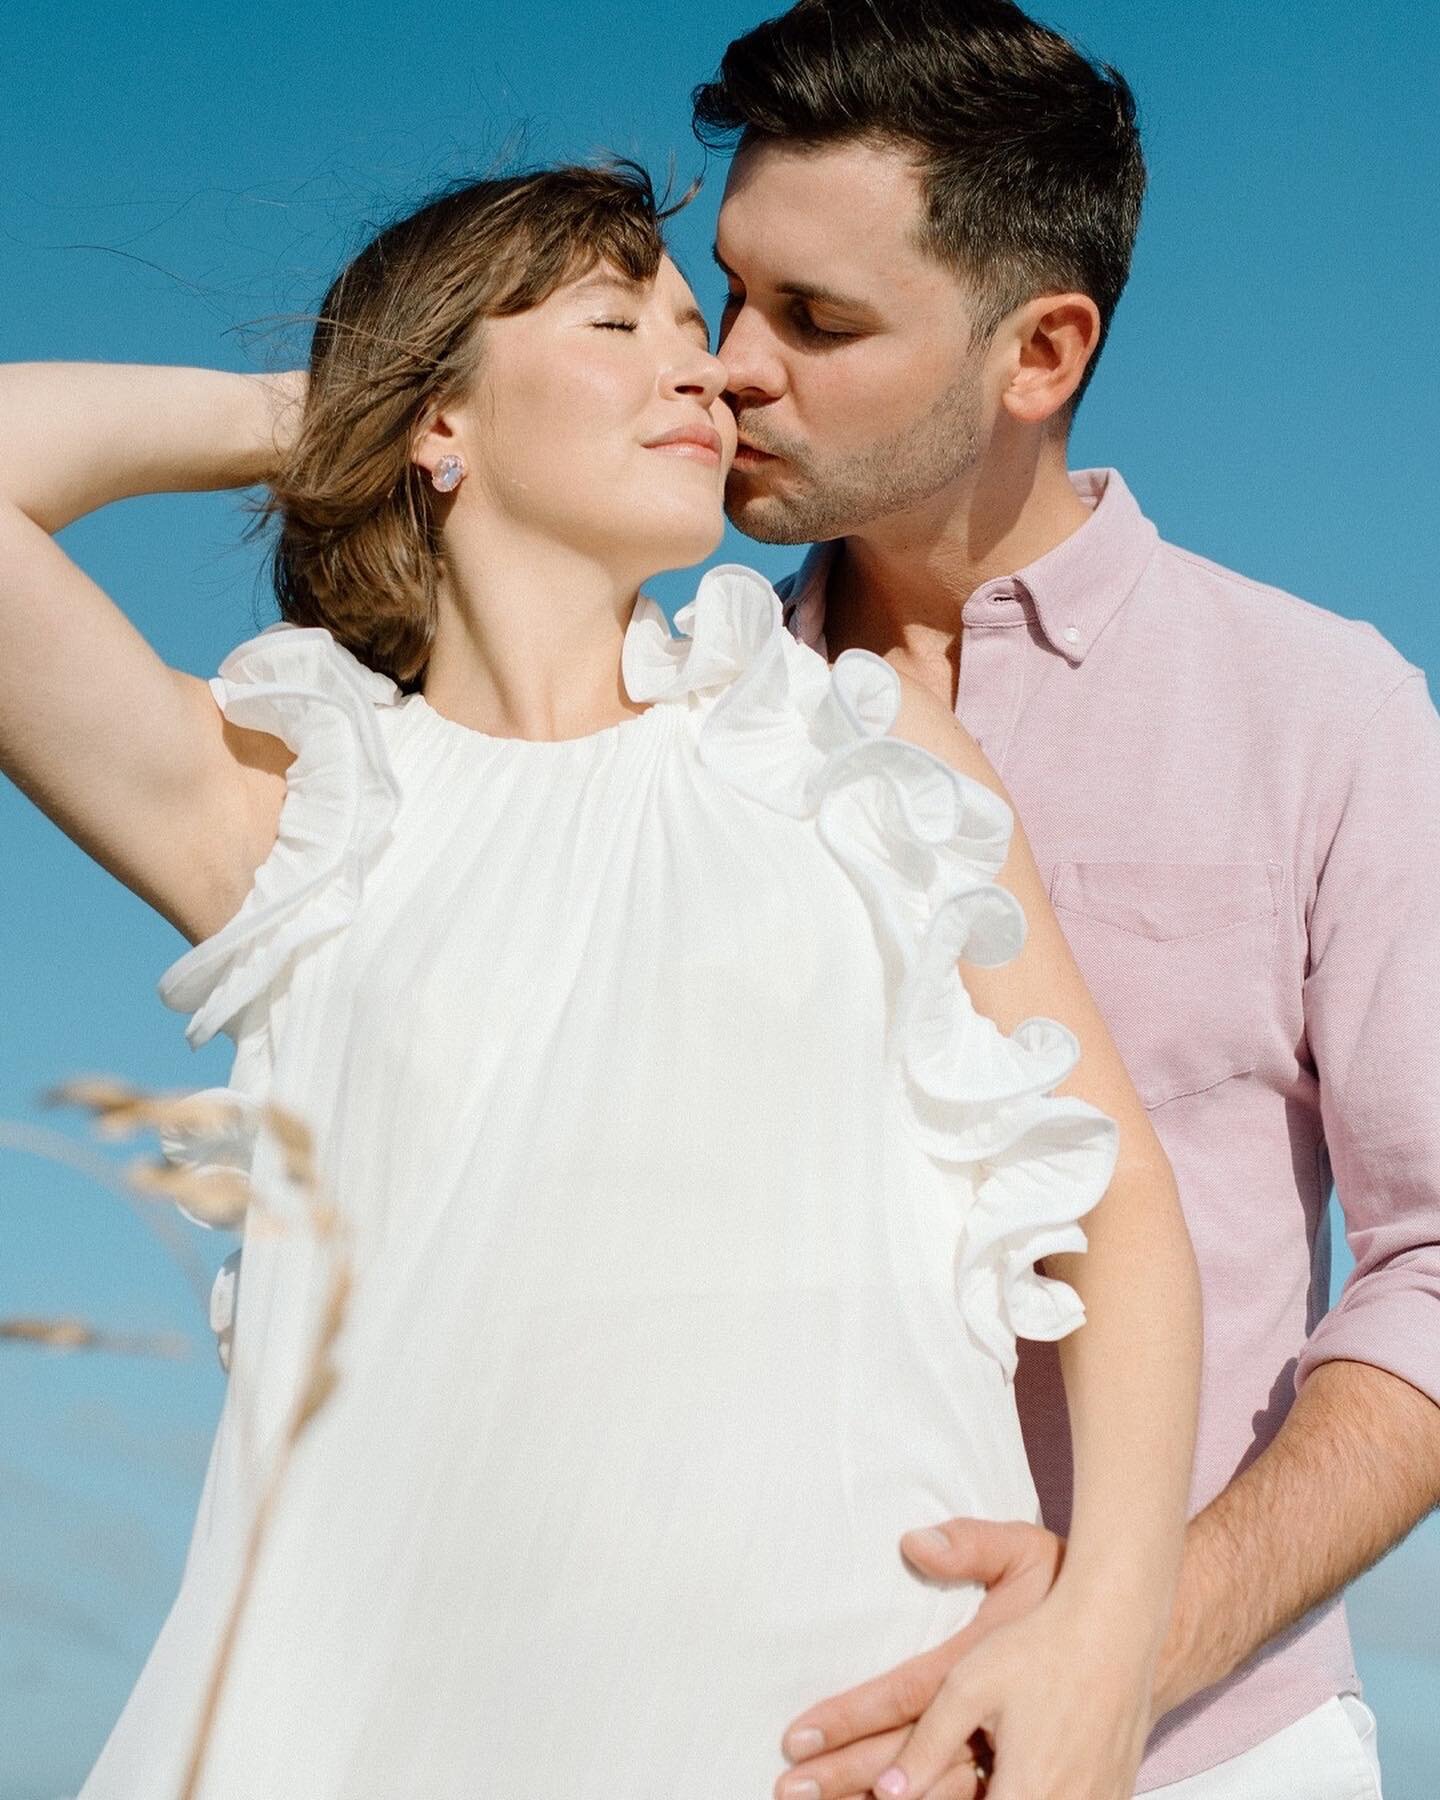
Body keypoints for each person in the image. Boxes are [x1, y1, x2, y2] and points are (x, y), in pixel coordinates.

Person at [0, 162, 1200, 1798]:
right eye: (615, 317)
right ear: (441, 422)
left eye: (693, 327)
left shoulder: (843, 750)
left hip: (832, 1730)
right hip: (363, 1736)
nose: (697, 365)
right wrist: (330, 410)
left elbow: (1119, 1201)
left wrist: (1106, 1639)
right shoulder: (298, 819)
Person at [689, 2, 1440, 1795]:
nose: (726, 363)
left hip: (1204, 1751)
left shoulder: (1324, 707)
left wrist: (1121, 1652)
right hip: (751, 1741)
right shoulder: (666, 724)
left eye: (818, 321)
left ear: (1039, 352)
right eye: (727, 290)